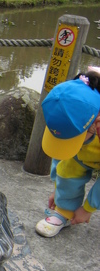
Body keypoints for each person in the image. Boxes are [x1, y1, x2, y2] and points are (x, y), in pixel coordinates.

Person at [35, 67, 100, 238]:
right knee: (69, 167)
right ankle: (63, 211)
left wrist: (87, 209)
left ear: (96, 121)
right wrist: (59, 190)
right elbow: (62, 157)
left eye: (73, 138)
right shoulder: (67, 103)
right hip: (87, 151)